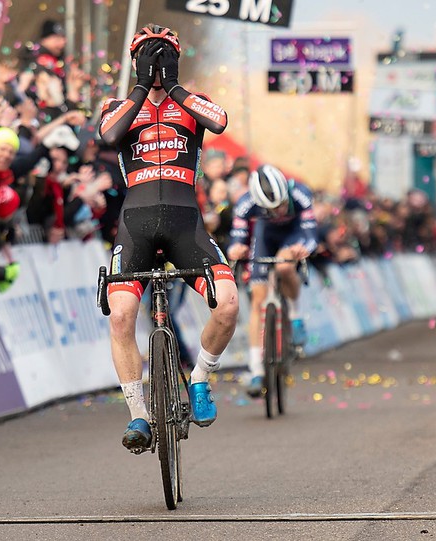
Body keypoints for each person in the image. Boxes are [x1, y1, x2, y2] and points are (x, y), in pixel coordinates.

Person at [98, 24, 238, 452]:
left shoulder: (195, 105)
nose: (157, 63)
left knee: (228, 305)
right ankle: (139, 413)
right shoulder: (117, 106)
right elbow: (107, 136)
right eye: (148, 55)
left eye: (165, 55)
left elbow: (219, 121)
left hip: (185, 224)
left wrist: (174, 87)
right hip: (134, 225)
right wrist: (142, 86)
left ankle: (198, 380)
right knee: (121, 316)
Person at [226, 164, 318, 397]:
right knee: (258, 300)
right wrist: (236, 249)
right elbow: (238, 238)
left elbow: (310, 236)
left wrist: (302, 248)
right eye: (272, 208)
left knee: (285, 265)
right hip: (265, 236)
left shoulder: (301, 194)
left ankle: (295, 316)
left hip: (293, 234)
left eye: (282, 206)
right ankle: (257, 368)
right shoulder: (246, 203)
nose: (279, 211)